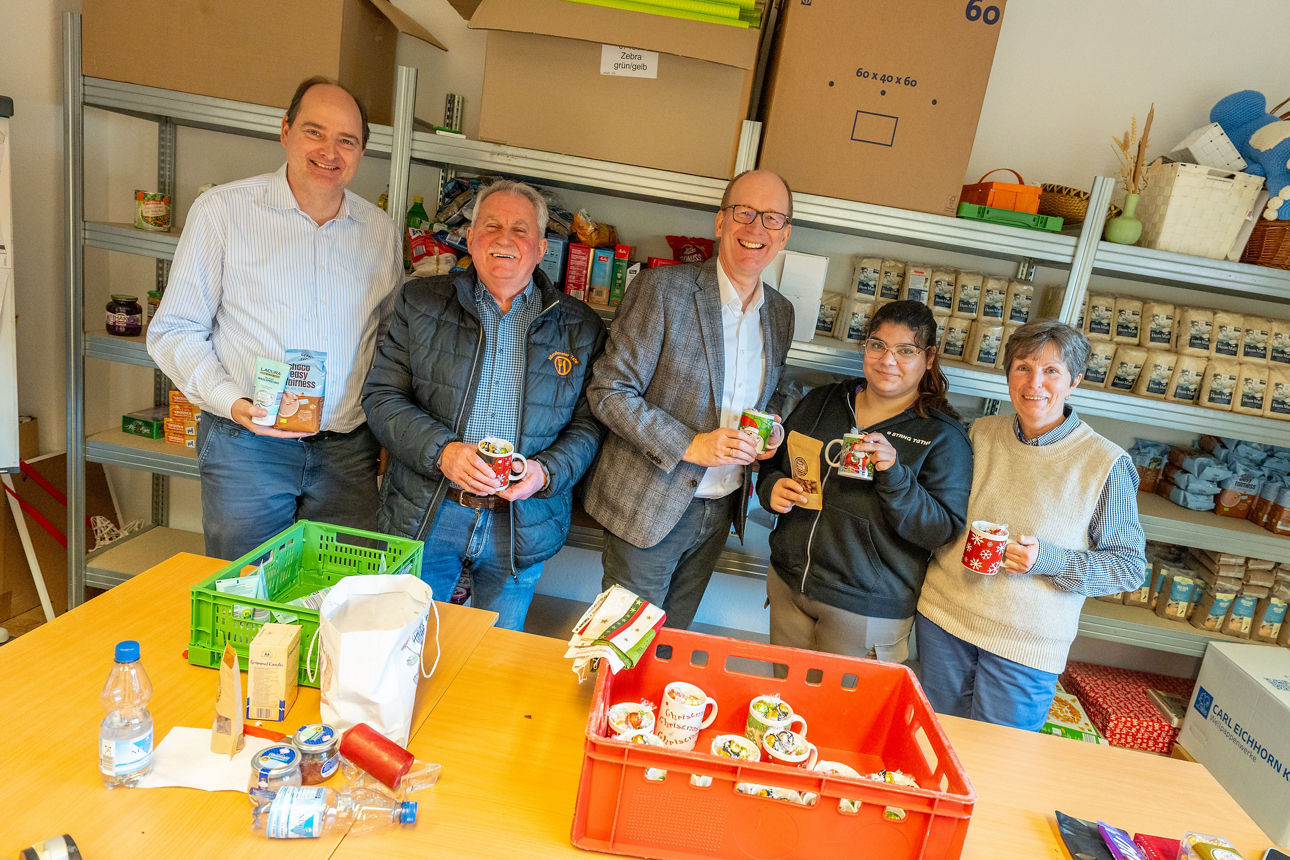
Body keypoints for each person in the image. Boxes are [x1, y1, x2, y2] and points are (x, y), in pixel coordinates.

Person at [148, 77, 402, 561]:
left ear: (362, 151)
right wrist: (233, 402)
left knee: (337, 597)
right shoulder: (223, 211)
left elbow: (388, 340)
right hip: (247, 446)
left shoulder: (380, 232)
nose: (330, 151)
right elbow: (173, 330)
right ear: (285, 131)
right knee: (248, 596)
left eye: (346, 140)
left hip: (347, 452)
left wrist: (386, 430)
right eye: (314, 132)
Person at [361, 180, 606, 631]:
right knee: (404, 648)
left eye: (520, 229)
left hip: (521, 524)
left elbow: (589, 426)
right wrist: (444, 452)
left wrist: (545, 472)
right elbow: (381, 396)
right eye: (491, 226)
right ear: (470, 239)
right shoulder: (420, 302)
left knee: (495, 656)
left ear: (540, 248)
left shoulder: (581, 328)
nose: (505, 239)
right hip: (427, 513)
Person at [584, 169, 796, 629]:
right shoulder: (663, 291)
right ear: (720, 222)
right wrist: (690, 444)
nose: (756, 227)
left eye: (772, 218)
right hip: (650, 506)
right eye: (744, 212)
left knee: (669, 647)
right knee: (621, 650)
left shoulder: (780, 314)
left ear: (785, 235)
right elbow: (608, 390)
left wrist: (772, 430)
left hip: (719, 511)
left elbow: (770, 394)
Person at [915, 319, 1148, 731]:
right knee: (931, 743)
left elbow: (1127, 568)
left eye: (1051, 371)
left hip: (1023, 647)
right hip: (944, 619)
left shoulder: (1106, 464)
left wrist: (1049, 560)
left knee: (1000, 767)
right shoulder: (979, 433)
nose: (1033, 383)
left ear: (1074, 381)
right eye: (1022, 367)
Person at [757, 301, 972, 663]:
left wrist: (895, 475)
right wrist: (772, 487)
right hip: (789, 586)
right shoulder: (824, 401)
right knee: (786, 709)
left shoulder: (942, 436)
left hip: (865, 608)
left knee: (845, 718)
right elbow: (777, 463)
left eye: (906, 350)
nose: (888, 360)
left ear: (929, 357)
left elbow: (941, 530)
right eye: (878, 345)